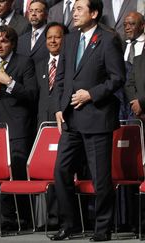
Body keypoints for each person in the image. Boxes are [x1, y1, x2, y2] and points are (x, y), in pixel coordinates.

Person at [50, 0, 125, 240]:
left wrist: (91, 94)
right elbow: (61, 78)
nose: (74, 12)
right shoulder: (70, 38)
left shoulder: (108, 38)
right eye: (74, 9)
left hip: (97, 118)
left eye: (80, 8)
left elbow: (117, 78)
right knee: (61, 171)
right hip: (71, 119)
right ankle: (69, 224)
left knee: (100, 176)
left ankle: (102, 229)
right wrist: (59, 108)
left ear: (94, 13)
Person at [0, 25, 38, 230]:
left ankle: (24, 219)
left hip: (18, 128)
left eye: (4, 41)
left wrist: (11, 83)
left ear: (12, 43)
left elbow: (32, 95)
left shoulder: (25, 62)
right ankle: (5, 218)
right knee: (0, 175)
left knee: (19, 175)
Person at [34, 22, 68, 230]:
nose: (53, 41)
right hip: (41, 126)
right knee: (46, 172)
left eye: (57, 37)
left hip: (63, 125)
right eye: (49, 38)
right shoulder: (38, 64)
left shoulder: (70, 62)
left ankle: (64, 219)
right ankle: (50, 219)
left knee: (61, 173)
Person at [17, 0, 50, 64]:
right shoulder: (21, 39)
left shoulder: (51, 37)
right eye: (31, 11)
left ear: (46, 15)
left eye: (38, 11)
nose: (33, 14)